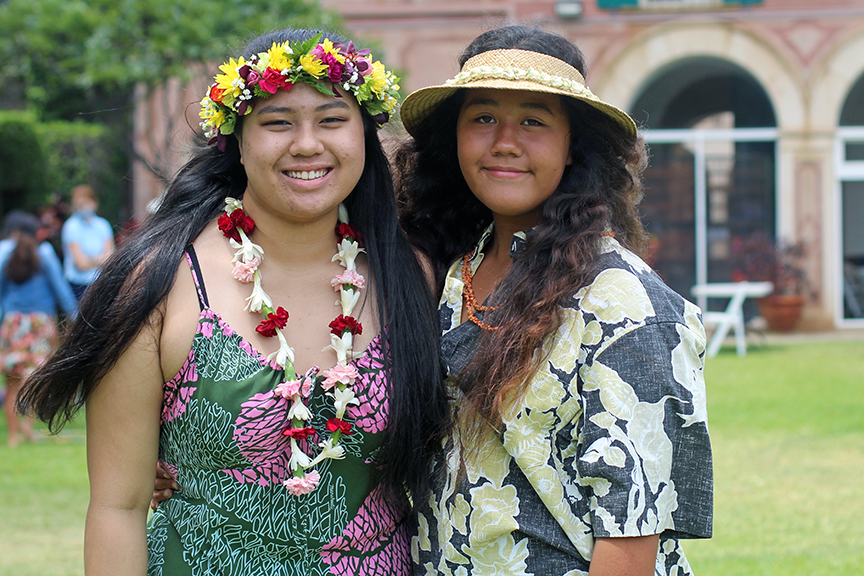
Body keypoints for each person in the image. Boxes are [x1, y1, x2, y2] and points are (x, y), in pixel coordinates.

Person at [18, 28, 447, 576]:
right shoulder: (159, 283)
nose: (308, 144)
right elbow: (117, 507)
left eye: (333, 119)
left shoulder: (414, 275)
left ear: (365, 135)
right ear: (236, 140)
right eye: (277, 122)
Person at [396, 26, 713, 575]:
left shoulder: (621, 301)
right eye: (484, 117)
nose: (505, 142)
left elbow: (631, 537)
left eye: (535, 121)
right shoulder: (455, 272)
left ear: (574, 148)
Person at [0, 210, 76, 446]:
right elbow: (60, 289)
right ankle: (27, 422)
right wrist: (76, 316)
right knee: (37, 377)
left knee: (11, 381)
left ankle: (14, 437)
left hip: (13, 323)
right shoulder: (44, 254)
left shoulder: (5, 253)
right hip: (40, 324)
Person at [61, 184, 115, 299]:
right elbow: (80, 264)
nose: (82, 208)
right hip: (78, 287)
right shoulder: (71, 226)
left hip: (101, 283)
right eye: (79, 205)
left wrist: (89, 260)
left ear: (93, 202)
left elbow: (110, 259)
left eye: (84, 203)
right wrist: (100, 260)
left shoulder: (102, 225)